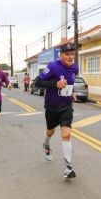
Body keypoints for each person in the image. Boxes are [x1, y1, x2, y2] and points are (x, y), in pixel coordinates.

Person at [35, 42, 78, 179]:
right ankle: (46, 144)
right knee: (50, 131)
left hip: (66, 106)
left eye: (72, 54)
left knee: (66, 134)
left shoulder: (74, 68)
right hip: (52, 106)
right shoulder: (53, 66)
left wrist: (72, 92)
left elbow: (70, 83)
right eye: (67, 54)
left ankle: (68, 167)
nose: (71, 57)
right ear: (61, 55)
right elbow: (37, 82)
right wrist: (55, 84)